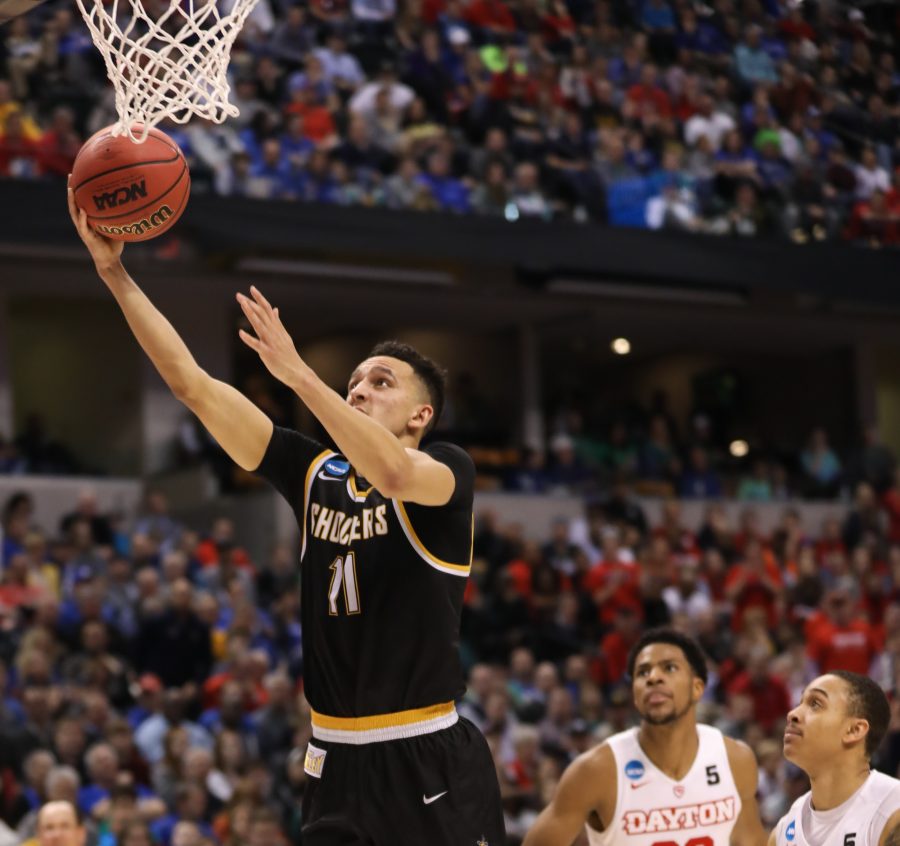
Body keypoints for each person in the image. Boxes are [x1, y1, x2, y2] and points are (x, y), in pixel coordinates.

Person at [67, 180, 505, 846]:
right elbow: (192, 385)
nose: (358, 390)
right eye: (352, 382)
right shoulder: (313, 473)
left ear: (421, 414)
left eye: (379, 383)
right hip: (333, 759)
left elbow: (389, 471)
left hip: (428, 754)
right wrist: (115, 274)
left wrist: (302, 376)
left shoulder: (446, 471)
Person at [523, 628, 767, 846]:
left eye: (669, 667)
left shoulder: (734, 759)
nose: (653, 677)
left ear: (697, 688)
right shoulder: (597, 770)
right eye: (642, 672)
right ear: (634, 693)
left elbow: (752, 841)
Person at [771, 671, 900, 846]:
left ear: (854, 730)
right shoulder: (782, 834)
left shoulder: (891, 812)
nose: (792, 714)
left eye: (815, 704)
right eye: (799, 703)